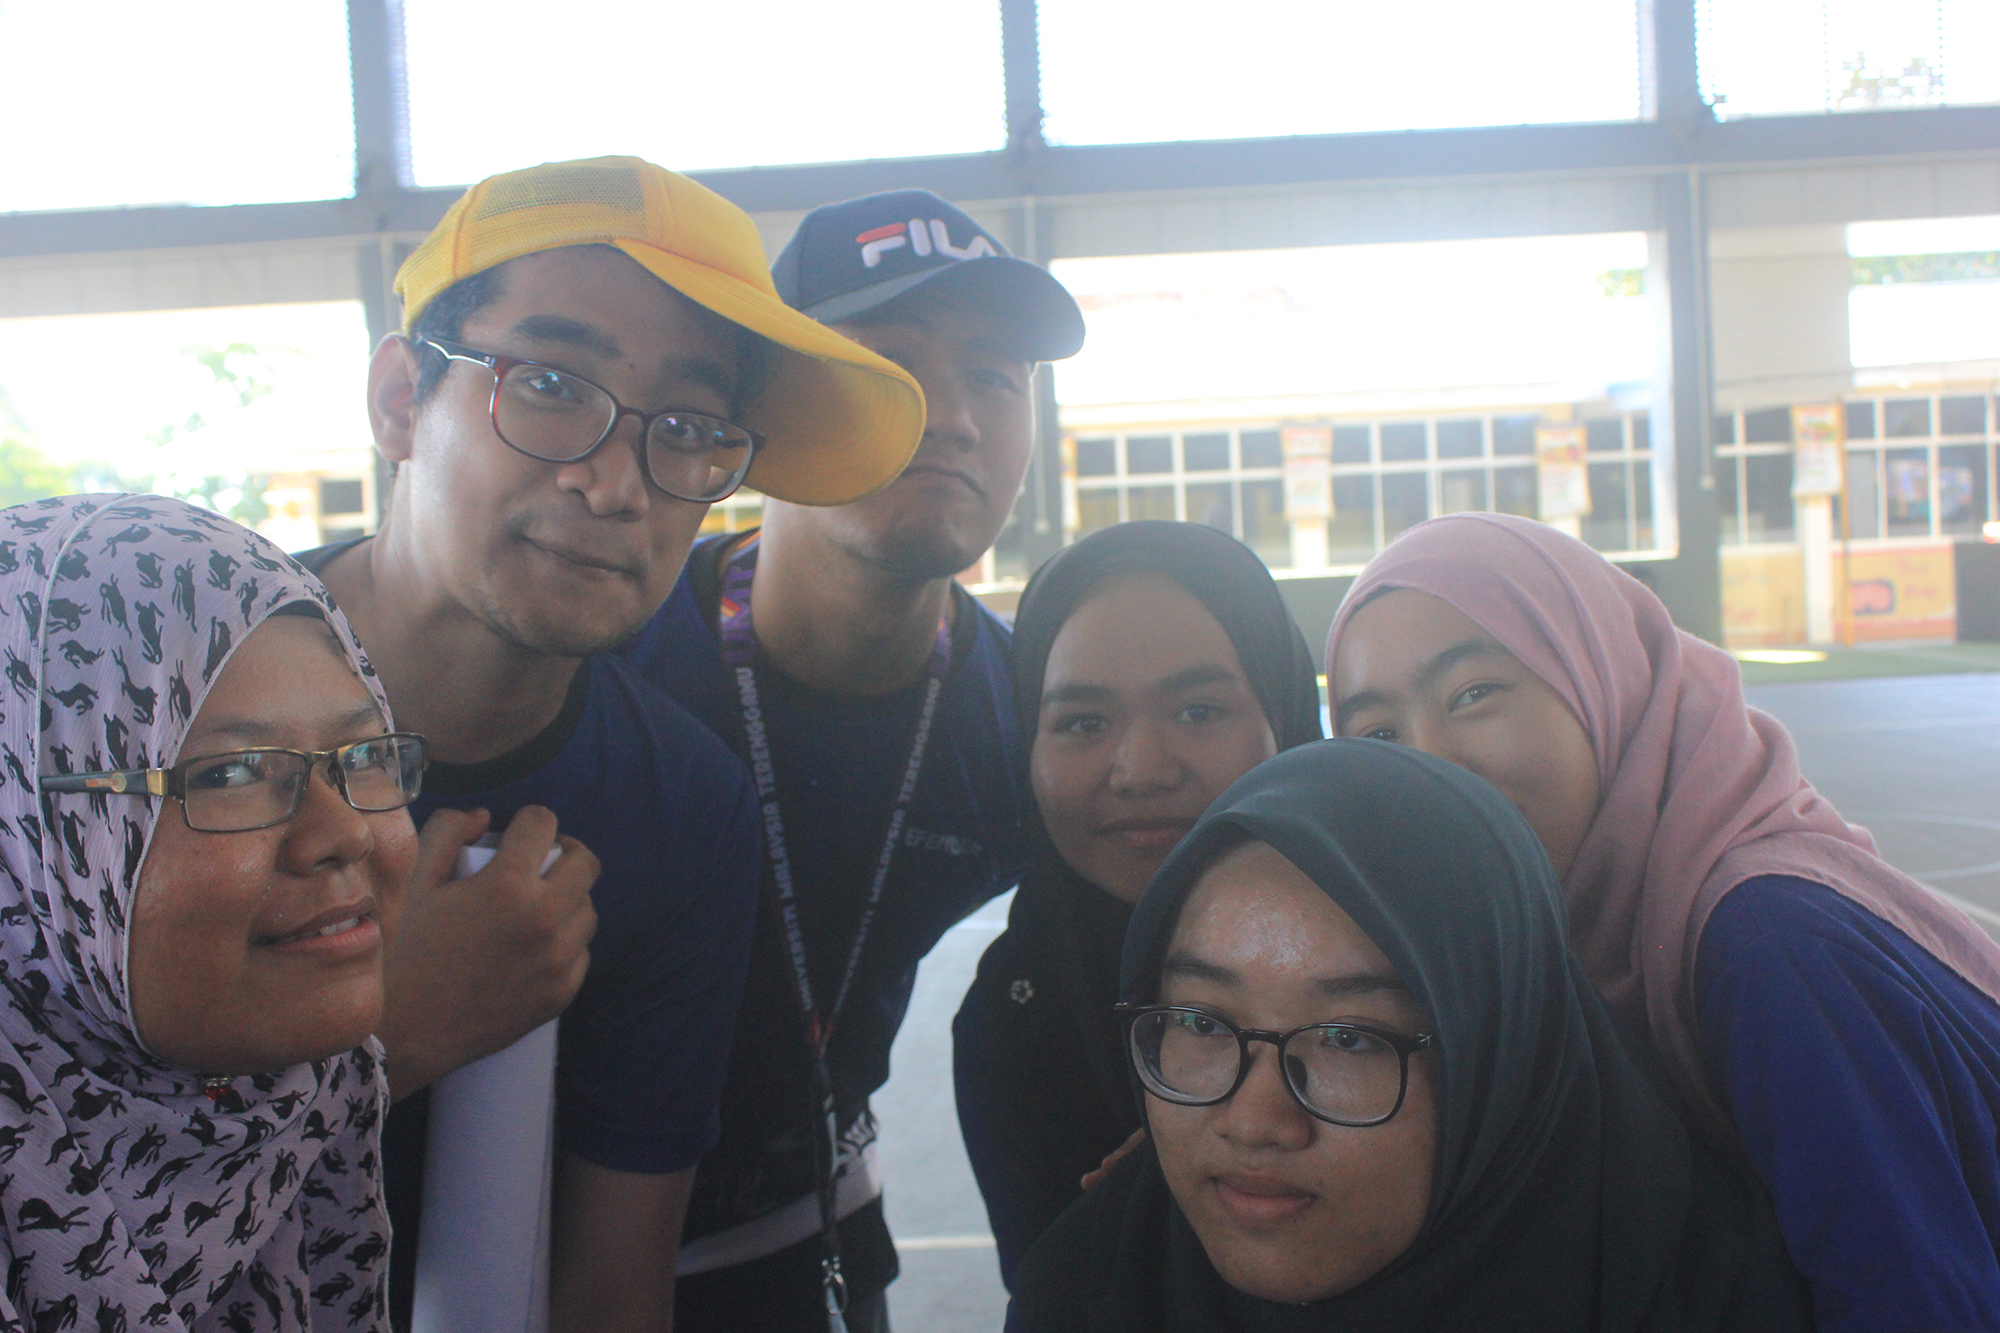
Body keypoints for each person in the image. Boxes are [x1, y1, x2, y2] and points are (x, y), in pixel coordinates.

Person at [304, 156, 927, 1332]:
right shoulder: (151, 688)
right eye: (549, 384)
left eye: (686, 429)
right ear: (399, 401)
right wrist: (387, 1030)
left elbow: (611, 1287)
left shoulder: (680, 806)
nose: (615, 485)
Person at [1325, 511, 2000, 1332]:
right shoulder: (1580, 930)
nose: (1429, 762)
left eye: (1474, 693)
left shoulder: (1767, 947)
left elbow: (1914, 1301)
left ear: (1603, 680)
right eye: (1379, 732)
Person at [617, 188, 1085, 1331]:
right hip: (534, 1238)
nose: (952, 417)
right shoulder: (607, 657)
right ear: (763, 409)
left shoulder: (1029, 721)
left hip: (809, 1230)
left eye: (994, 377)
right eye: (886, 365)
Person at [1009, 739, 1812, 1333]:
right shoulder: (1087, 1287)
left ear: (1503, 1060)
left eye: (1350, 1039)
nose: (1253, 1121)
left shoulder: (1714, 1297)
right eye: (1198, 1021)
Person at [0, 493, 427, 1330]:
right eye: (231, 773)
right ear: (30, 840)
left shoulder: (304, 1098)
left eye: (364, 753)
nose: (345, 832)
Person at [953, 520, 1322, 1284]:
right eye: (1083, 722)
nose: (1141, 770)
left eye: (1198, 711)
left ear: (1283, 716)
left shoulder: (1416, 975)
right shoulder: (1015, 1023)